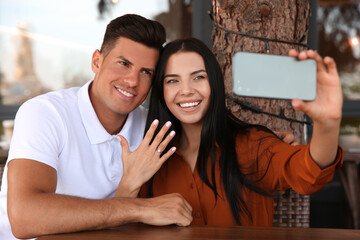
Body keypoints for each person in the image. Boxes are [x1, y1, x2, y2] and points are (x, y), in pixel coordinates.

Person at [0, 14, 193, 240]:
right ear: (96, 62)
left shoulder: (151, 127)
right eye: (124, 64)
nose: (133, 81)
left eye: (146, 72)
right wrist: (141, 208)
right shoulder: (45, 113)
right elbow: (25, 218)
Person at [120, 38, 343, 226]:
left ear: (214, 83)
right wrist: (130, 186)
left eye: (199, 77)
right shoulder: (149, 159)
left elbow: (309, 172)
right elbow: (120, 226)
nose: (186, 90)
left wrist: (327, 124)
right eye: (172, 81)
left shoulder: (252, 145)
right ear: (161, 91)